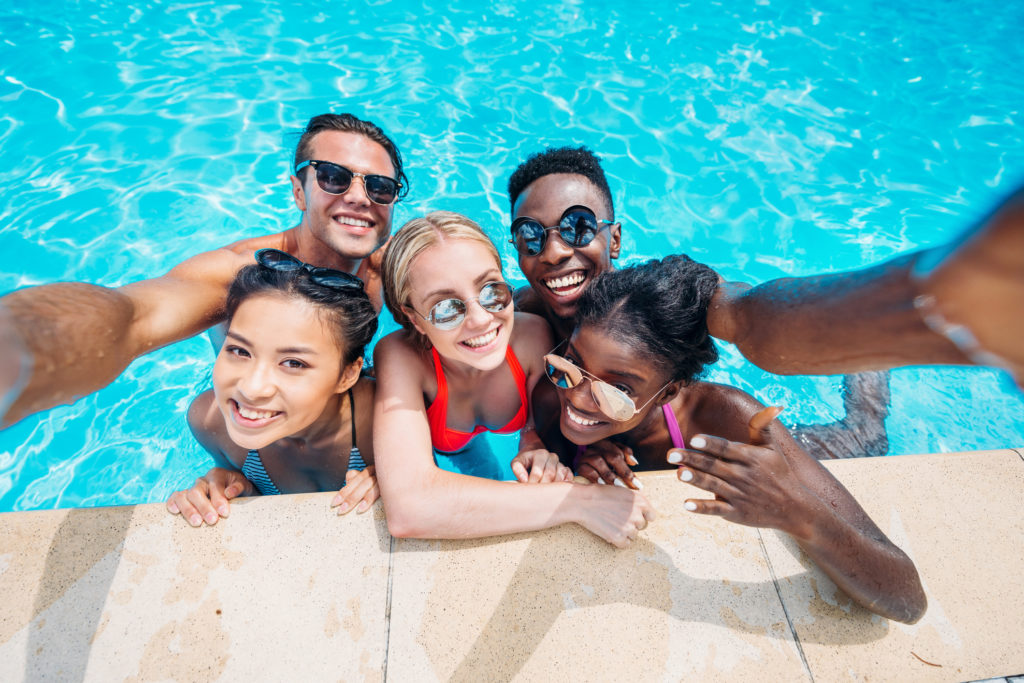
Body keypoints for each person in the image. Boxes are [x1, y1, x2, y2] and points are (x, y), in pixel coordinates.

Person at [536, 254, 927, 623]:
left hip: (772, 443)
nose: (576, 396)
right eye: (573, 364)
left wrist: (796, 508)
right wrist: (580, 461)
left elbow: (907, 599)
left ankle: (871, 364)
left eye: (617, 389)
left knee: (865, 438)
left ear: (670, 392)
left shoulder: (725, 418)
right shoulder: (550, 391)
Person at [0, 112, 407, 428]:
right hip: (258, 422)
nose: (358, 197)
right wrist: (22, 344)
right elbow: (132, 318)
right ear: (299, 191)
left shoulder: (394, 267)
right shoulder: (242, 275)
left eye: (379, 187)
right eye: (333, 178)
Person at [505, 147, 893, 462]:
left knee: (859, 442)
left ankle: (870, 387)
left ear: (615, 238)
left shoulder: (673, 300)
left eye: (578, 227)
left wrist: (859, 317)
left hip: (671, 426)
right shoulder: (520, 315)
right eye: (530, 236)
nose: (554, 252)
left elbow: (752, 314)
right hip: (602, 426)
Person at [372, 211, 654, 548]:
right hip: (444, 439)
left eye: (491, 289)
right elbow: (409, 509)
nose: (480, 320)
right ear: (413, 318)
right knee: (466, 456)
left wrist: (533, 440)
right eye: (446, 308)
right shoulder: (401, 356)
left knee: (485, 475)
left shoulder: (532, 338)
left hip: (462, 431)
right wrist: (577, 502)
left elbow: (541, 425)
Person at [166, 249, 379, 527]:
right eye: (240, 350)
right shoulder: (211, 422)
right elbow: (243, 485)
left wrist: (404, 475)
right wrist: (234, 488)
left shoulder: (385, 421)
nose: (252, 389)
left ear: (347, 374)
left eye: (293, 363)